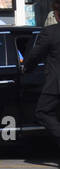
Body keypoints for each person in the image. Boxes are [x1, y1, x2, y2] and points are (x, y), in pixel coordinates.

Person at [23, 22, 60, 160]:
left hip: (55, 84)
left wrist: (26, 68)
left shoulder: (51, 32)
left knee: (42, 112)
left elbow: (35, 55)